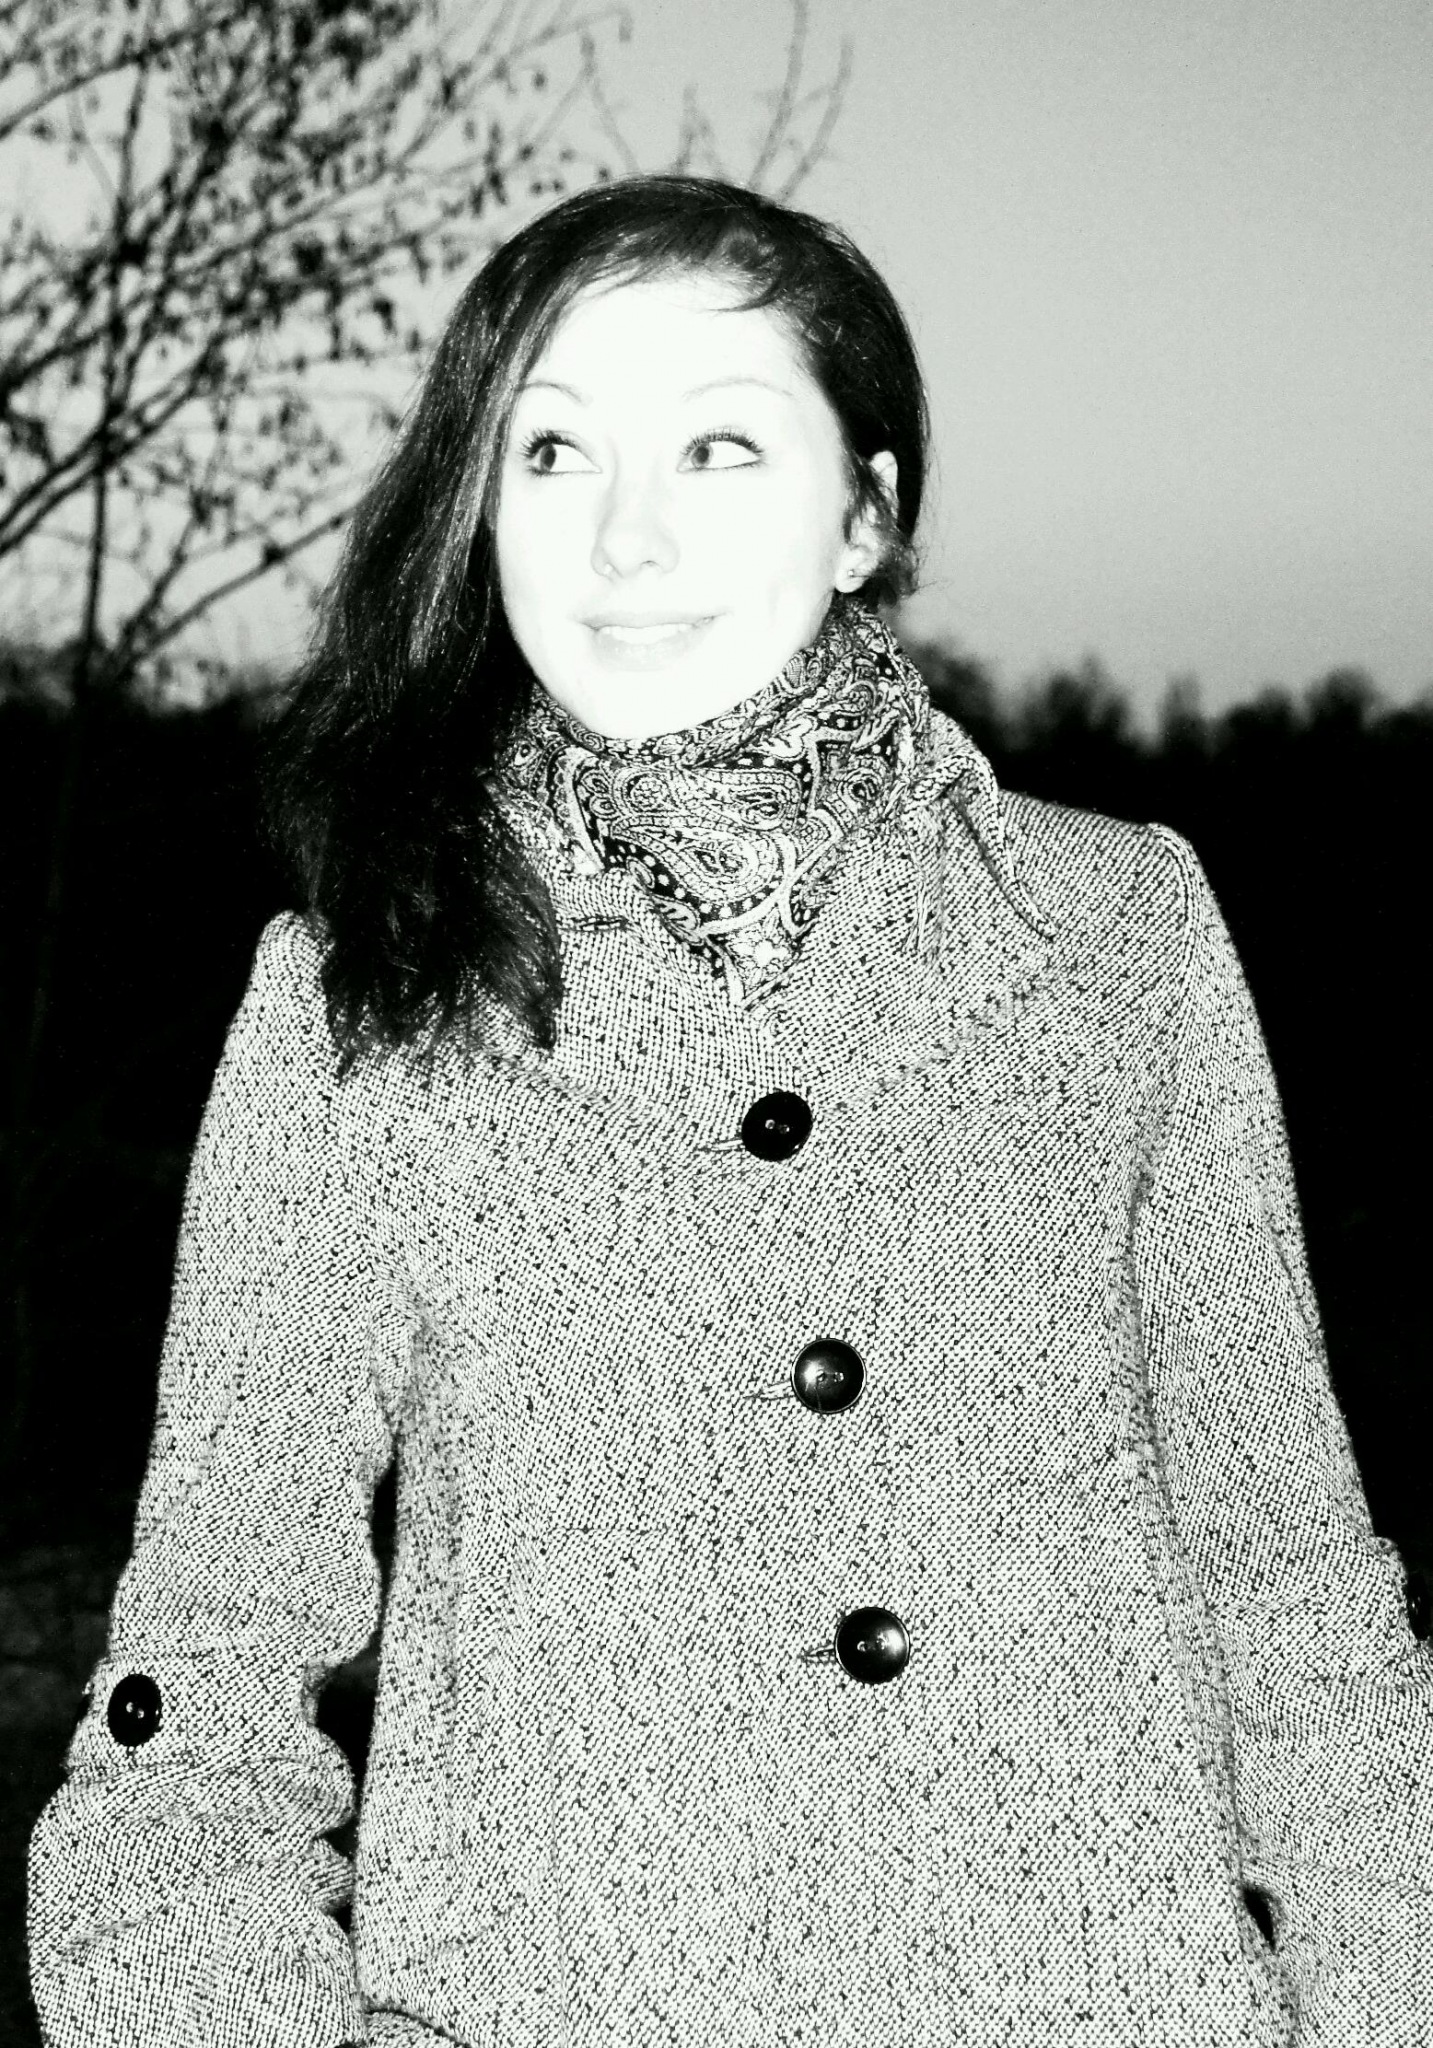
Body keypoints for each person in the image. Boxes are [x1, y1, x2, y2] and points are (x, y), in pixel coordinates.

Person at [26, 172, 1433, 2048]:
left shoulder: (1115, 932)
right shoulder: (360, 996)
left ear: (864, 514)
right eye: (552, 453)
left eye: (717, 446)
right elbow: (202, 1677)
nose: (624, 536)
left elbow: (1295, 1593)